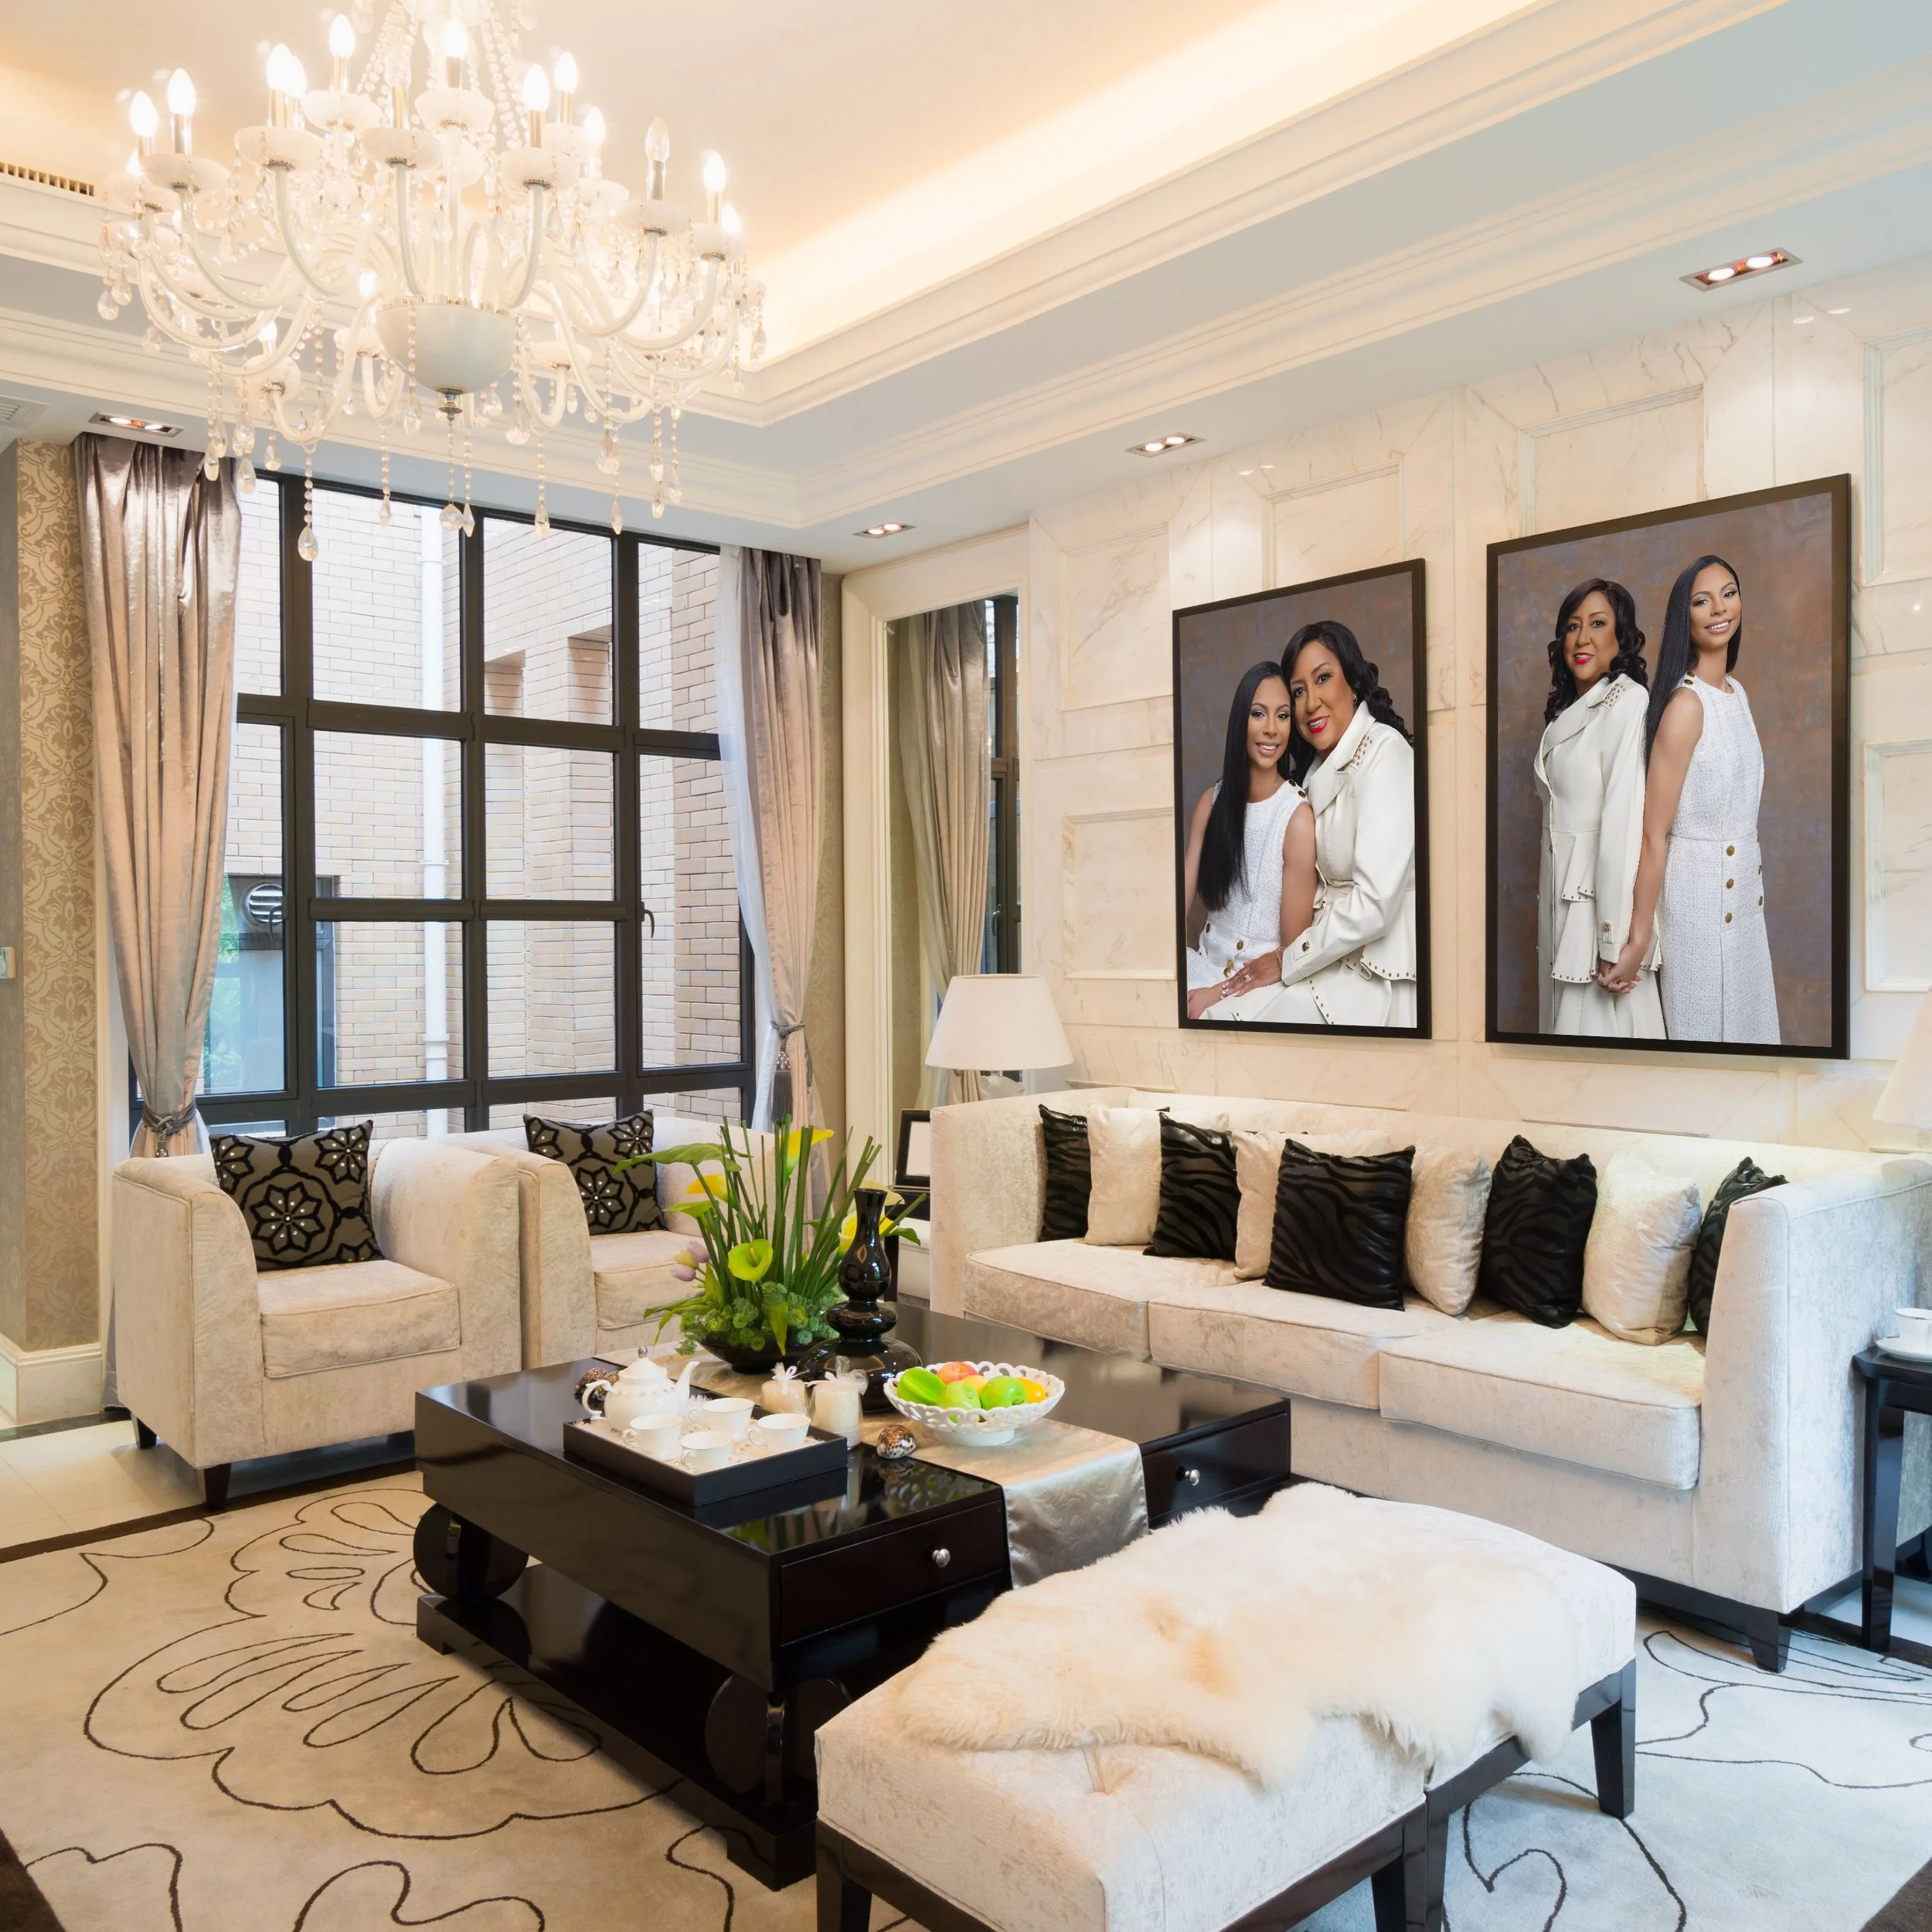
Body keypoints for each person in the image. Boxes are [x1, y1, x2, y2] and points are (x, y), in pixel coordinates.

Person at [1599, 554, 1780, 1045]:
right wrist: (1637, 941)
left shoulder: (1736, 694)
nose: (1720, 607)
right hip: (1697, 910)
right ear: (1685, 615)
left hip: (1744, 909)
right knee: (1702, 1056)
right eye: (1703, 600)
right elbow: (1654, 834)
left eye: (1729, 592)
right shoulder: (1685, 706)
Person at [1221, 621, 1417, 1028]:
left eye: (1323, 678)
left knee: (1237, 1022)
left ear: (1354, 682)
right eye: (1298, 690)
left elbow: (1376, 905)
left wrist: (1286, 959)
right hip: (1322, 960)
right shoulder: (1310, 775)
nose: (1310, 703)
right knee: (1221, 1014)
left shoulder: (1386, 752)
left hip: (1373, 974)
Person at [1533, 579, 1664, 1038]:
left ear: (1621, 637)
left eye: (1598, 624)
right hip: (1558, 909)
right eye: (1572, 626)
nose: (1582, 638)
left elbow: (1623, 826)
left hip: (1597, 916)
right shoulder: (1570, 712)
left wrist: (1616, 940)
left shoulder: (1629, 701)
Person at [1182, 662, 1316, 1020]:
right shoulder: (1211, 803)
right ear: (1240, 720)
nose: (1271, 730)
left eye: (1283, 716)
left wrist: (1219, 993)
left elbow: (1289, 953)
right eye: (1259, 714)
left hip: (1258, 988)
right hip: (1201, 967)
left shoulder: (1296, 818)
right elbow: (1172, 911)